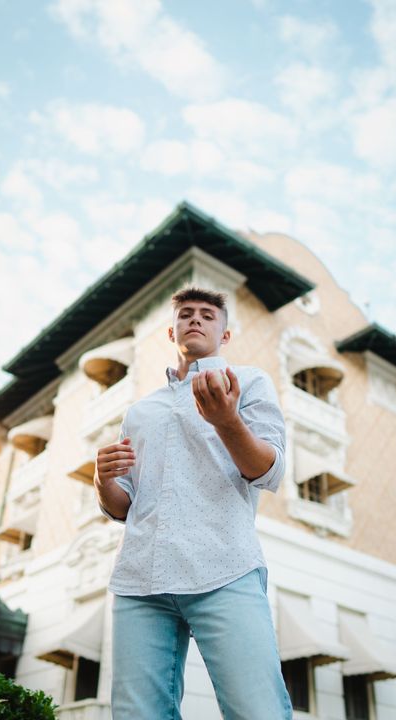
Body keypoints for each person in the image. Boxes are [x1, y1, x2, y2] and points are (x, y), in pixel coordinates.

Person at [95, 287, 293, 720]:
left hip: (224, 567)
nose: (196, 320)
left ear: (225, 334)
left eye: (207, 315)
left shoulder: (250, 383)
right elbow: (123, 506)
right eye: (186, 314)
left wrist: (227, 421)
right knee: (136, 715)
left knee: (256, 711)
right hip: (140, 581)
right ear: (172, 330)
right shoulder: (139, 412)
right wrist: (102, 478)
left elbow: (270, 470)